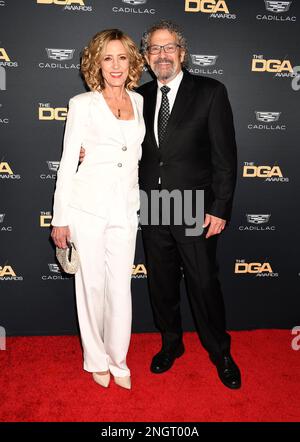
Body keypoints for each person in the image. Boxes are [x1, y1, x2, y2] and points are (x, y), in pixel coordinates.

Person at [136, 20, 241, 389]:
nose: (162, 55)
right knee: (161, 284)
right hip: (152, 202)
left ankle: (220, 352)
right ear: (146, 58)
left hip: (195, 204)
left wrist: (221, 206)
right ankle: (171, 343)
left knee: (203, 283)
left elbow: (225, 157)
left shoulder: (211, 92)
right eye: (154, 49)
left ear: (182, 53)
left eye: (169, 48)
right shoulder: (139, 97)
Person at [51, 29, 145, 390]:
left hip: (126, 208)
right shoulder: (82, 104)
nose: (116, 65)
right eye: (108, 57)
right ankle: (95, 358)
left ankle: (118, 357)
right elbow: (66, 163)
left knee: (120, 288)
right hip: (86, 208)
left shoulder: (139, 103)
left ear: (131, 62)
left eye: (122, 57)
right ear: (97, 63)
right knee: (90, 287)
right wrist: (61, 218)